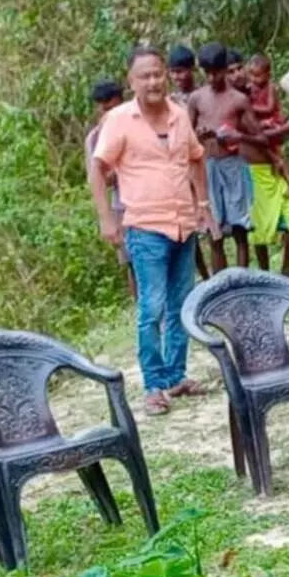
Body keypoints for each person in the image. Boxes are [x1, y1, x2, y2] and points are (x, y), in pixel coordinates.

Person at [89, 45, 216, 417]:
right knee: (152, 307)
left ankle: (176, 375)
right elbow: (98, 168)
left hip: (183, 224)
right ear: (131, 82)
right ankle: (154, 385)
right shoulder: (118, 121)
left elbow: (197, 158)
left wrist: (203, 205)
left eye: (158, 74)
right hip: (145, 227)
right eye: (144, 76)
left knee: (180, 303)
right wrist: (105, 218)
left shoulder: (179, 115)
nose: (153, 81)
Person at [189, 43, 267, 272]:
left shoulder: (238, 100)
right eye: (208, 73)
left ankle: (241, 281)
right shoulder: (196, 98)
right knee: (214, 233)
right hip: (207, 168)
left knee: (240, 230)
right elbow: (185, 137)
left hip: (234, 166)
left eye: (216, 72)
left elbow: (261, 137)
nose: (212, 78)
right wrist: (199, 136)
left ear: (224, 69)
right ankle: (221, 284)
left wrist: (238, 136)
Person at [246, 54, 289, 277]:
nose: (255, 80)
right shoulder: (244, 96)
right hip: (257, 169)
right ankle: (265, 274)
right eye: (252, 75)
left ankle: (287, 268)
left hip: (274, 157)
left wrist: (259, 116)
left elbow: (270, 109)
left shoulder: (268, 90)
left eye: (258, 76)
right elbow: (252, 135)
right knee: (259, 229)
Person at [84, 79, 136, 300]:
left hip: (149, 199)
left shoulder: (138, 125)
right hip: (121, 204)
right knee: (131, 260)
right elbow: (96, 176)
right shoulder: (95, 138)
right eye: (104, 109)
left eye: (113, 107)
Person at [167, 45, 212, 281]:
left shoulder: (205, 95)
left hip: (208, 165)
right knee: (189, 228)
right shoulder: (168, 102)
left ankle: (221, 277)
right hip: (181, 171)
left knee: (213, 224)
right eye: (173, 72)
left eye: (181, 71)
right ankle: (204, 277)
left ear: (192, 70)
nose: (177, 77)